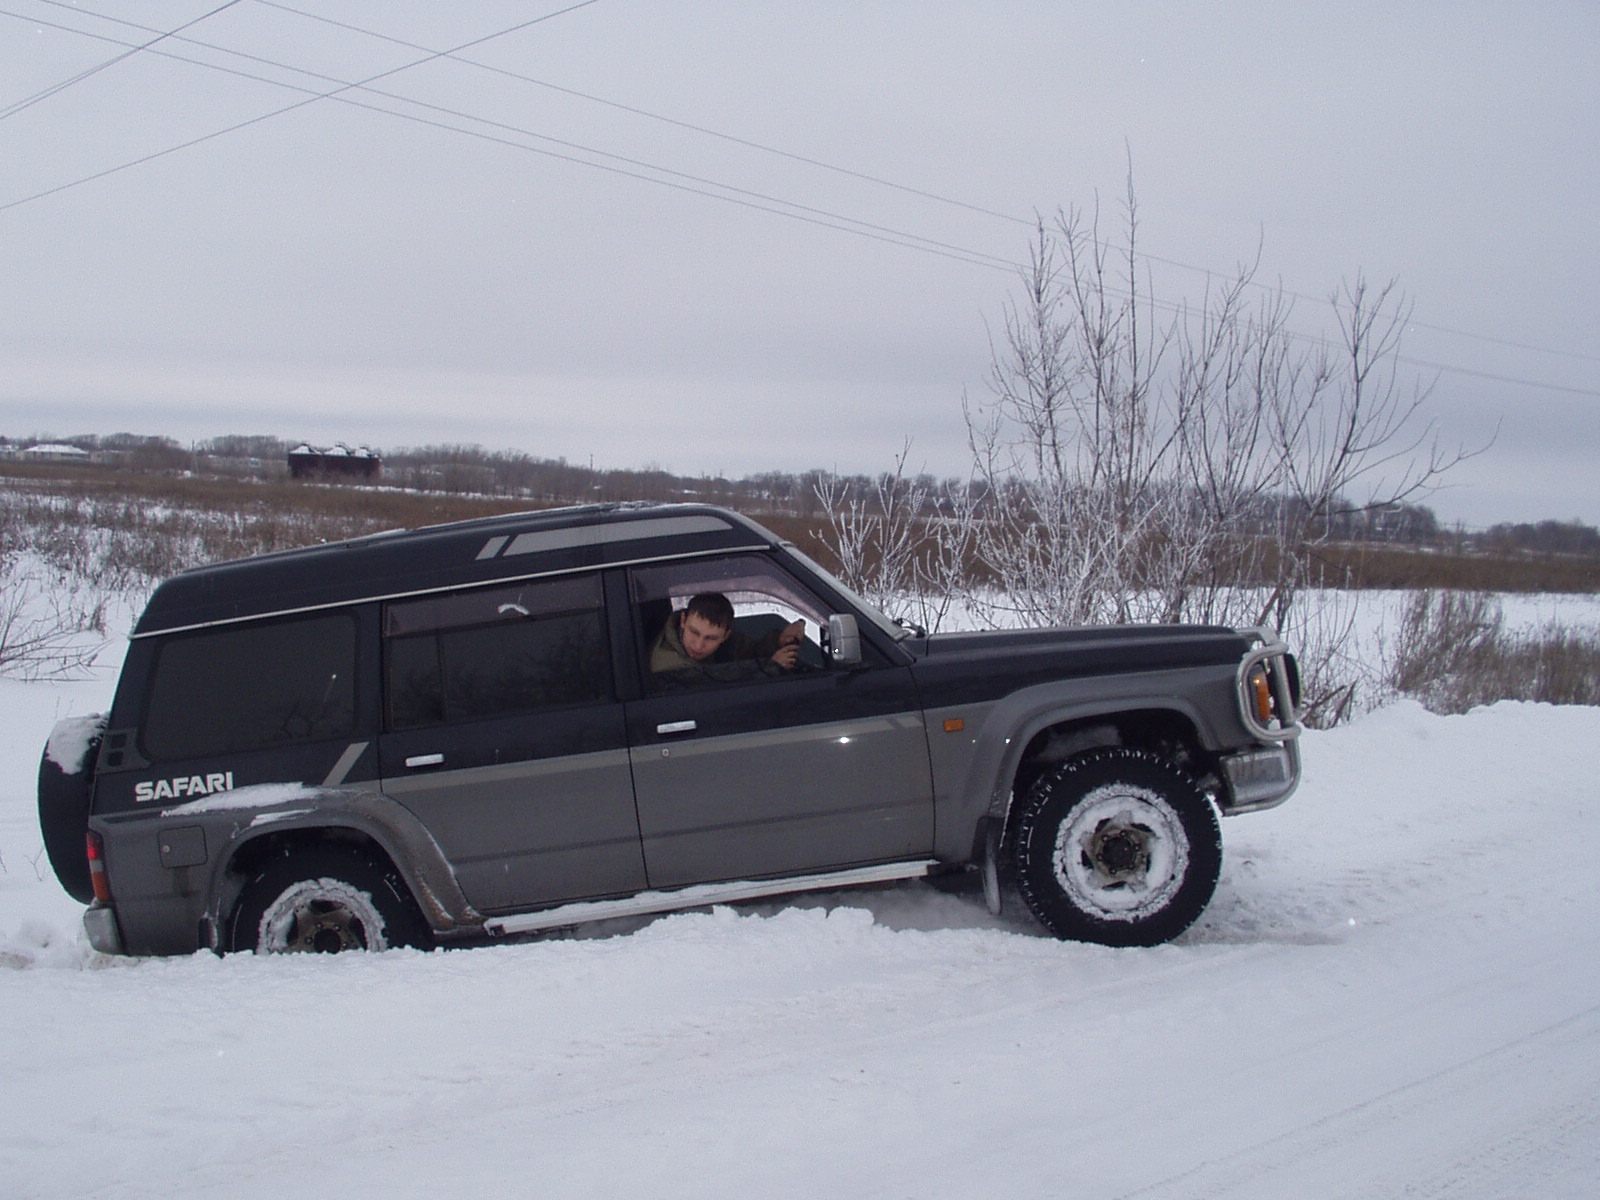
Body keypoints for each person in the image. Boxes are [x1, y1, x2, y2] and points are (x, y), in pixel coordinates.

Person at [649, 592, 804, 684]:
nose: (698, 645)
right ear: (683, 621)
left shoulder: (728, 643)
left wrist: (779, 640)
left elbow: (750, 651)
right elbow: (717, 690)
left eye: (711, 638)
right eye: (694, 632)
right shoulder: (668, 664)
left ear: (725, 636)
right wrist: (771, 668)